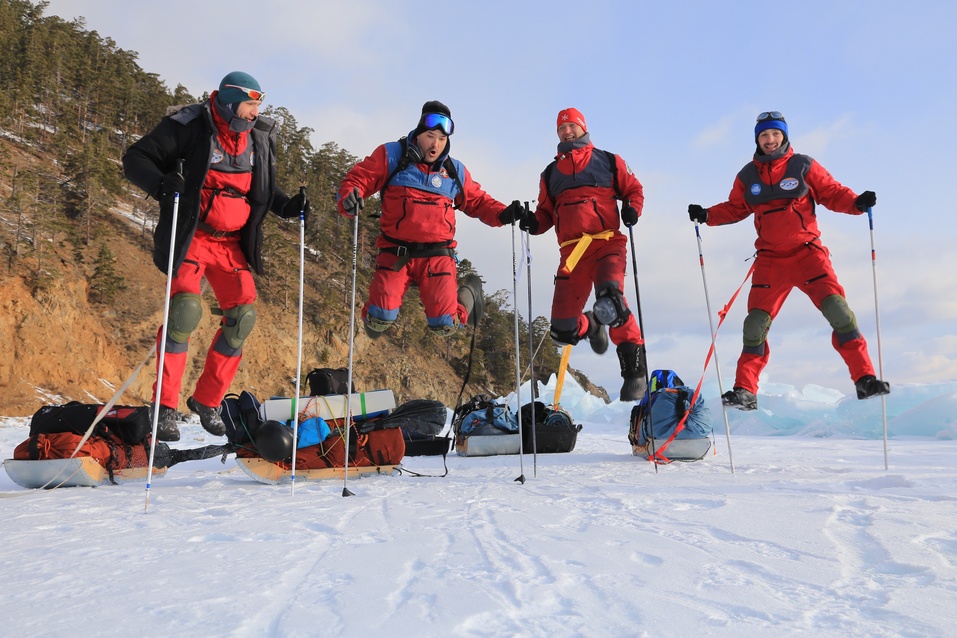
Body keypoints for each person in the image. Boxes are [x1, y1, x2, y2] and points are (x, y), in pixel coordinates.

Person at [123, 71, 309, 441]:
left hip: (231, 244)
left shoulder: (258, 137)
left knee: (242, 318)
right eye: (251, 104)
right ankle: (165, 406)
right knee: (184, 312)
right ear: (229, 101)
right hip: (194, 235)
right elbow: (136, 158)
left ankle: (207, 400)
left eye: (259, 105)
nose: (256, 112)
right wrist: (162, 184)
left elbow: (262, 188)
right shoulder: (190, 125)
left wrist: (287, 206)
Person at [687, 110, 890, 410]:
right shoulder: (747, 176)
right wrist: (707, 215)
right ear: (757, 139)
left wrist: (856, 203)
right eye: (764, 135)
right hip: (770, 261)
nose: (770, 140)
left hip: (809, 255)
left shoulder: (803, 166)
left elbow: (832, 193)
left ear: (784, 136)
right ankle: (745, 391)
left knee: (839, 312)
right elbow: (735, 207)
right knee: (755, 325)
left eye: (775, 134)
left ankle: (865, 379)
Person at [336, 100, 523, 338]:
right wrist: (349, 198)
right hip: (396, 252)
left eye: (442, 139)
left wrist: (503, 213)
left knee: (445, 325)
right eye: (430, 136)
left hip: (437, 256)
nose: (436, 144)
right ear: (418, 134)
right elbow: (357, 180)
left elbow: (477, 201)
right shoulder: (392, 155)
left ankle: (469, 293)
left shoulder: (454, 171)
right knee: (378, 320)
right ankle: (377, 319)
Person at [520, 108, 648, 401]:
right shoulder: (550, 174)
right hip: (572, 254)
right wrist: (531, 222)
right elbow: (544, 215)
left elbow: (634, 190)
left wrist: (632, 208)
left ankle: (634, 372)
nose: (566, 132)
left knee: (611, 300)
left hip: (606, 243)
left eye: (571, 126)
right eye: (561, 128)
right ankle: (592, 324)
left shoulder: (608, 161)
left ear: (583, 128)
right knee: (562, 331)